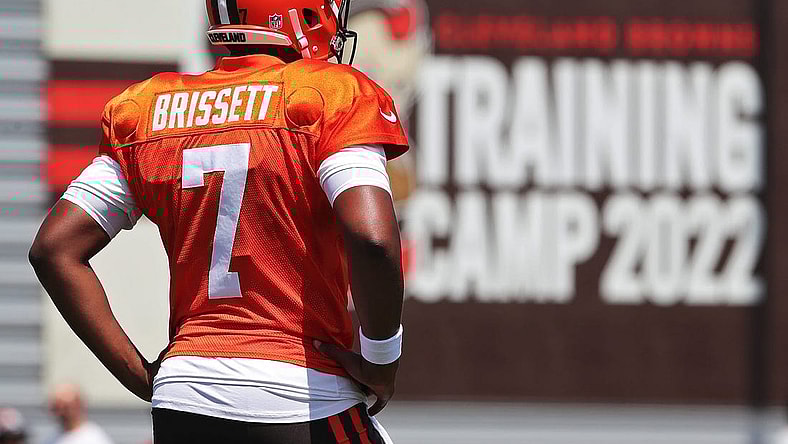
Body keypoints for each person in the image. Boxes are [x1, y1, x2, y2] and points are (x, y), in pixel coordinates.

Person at [29, 0, 408, 443]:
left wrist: (142, 376)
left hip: (184, 398)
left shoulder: (150, 107)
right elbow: (374, 240)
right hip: (298, 392)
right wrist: (382, 361)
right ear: (303, 12)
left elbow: (54, 249)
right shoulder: (329, 93)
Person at [46, 385, 113, 444]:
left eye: (66, 408)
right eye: (57, 408)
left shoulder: (94, 438)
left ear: (78, 405)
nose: (61, 413)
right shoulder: (51, 438)